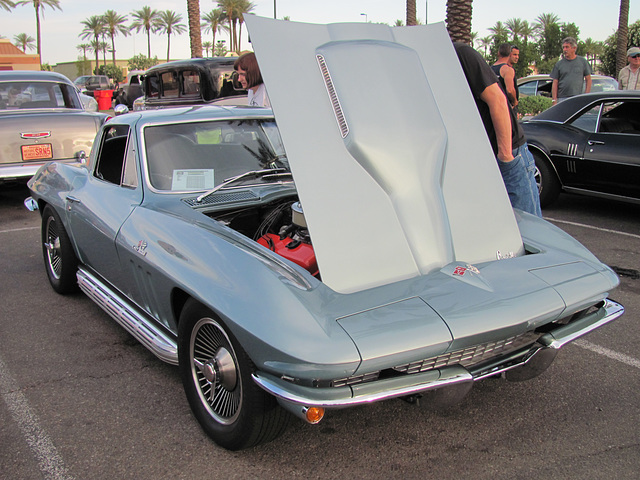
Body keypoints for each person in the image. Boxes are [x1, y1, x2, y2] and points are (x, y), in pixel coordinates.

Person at [454, 42, 542, 217]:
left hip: (508, 153)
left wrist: (506, 156)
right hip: (483, 158)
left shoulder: (461, 54)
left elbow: (499, 100)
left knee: (528, 227)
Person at [550, 37, 591, 104]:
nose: (564, 50)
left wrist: (586, 96)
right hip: (562, 99)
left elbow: (588, 79)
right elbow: (555, 82)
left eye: (567, 47)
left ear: (574, 48)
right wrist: (554, 100)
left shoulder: (583, 62)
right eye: (563, 47)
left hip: (578, 98)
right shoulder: (559, 64)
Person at [491, 43, 519, 111]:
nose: (517, 57)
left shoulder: (490, 68)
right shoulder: (507, 70)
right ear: (509, 54)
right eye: (514, 54)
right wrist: (515, 102)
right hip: (505, 108)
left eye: (518, 55)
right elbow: (510, 90)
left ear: (498, 53)